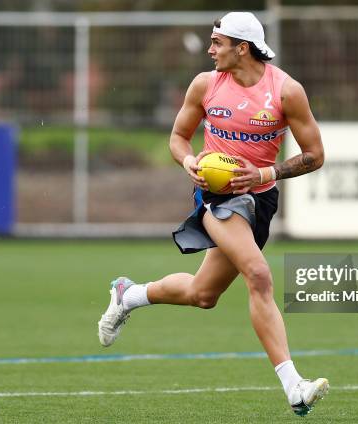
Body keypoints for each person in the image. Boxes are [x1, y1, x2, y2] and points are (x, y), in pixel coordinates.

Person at [98, 11, 327, 416]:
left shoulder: (287, 91)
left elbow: (315, 155)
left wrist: (264, 172)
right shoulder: (205, 84)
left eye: (217, 43)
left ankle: (128, 294)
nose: (209, 50)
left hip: (261, 200)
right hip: (216, 200)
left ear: (243, 48)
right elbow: (178, 138)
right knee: (258, 274)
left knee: (203, 295)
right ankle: (294, 386)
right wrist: (187, 161)